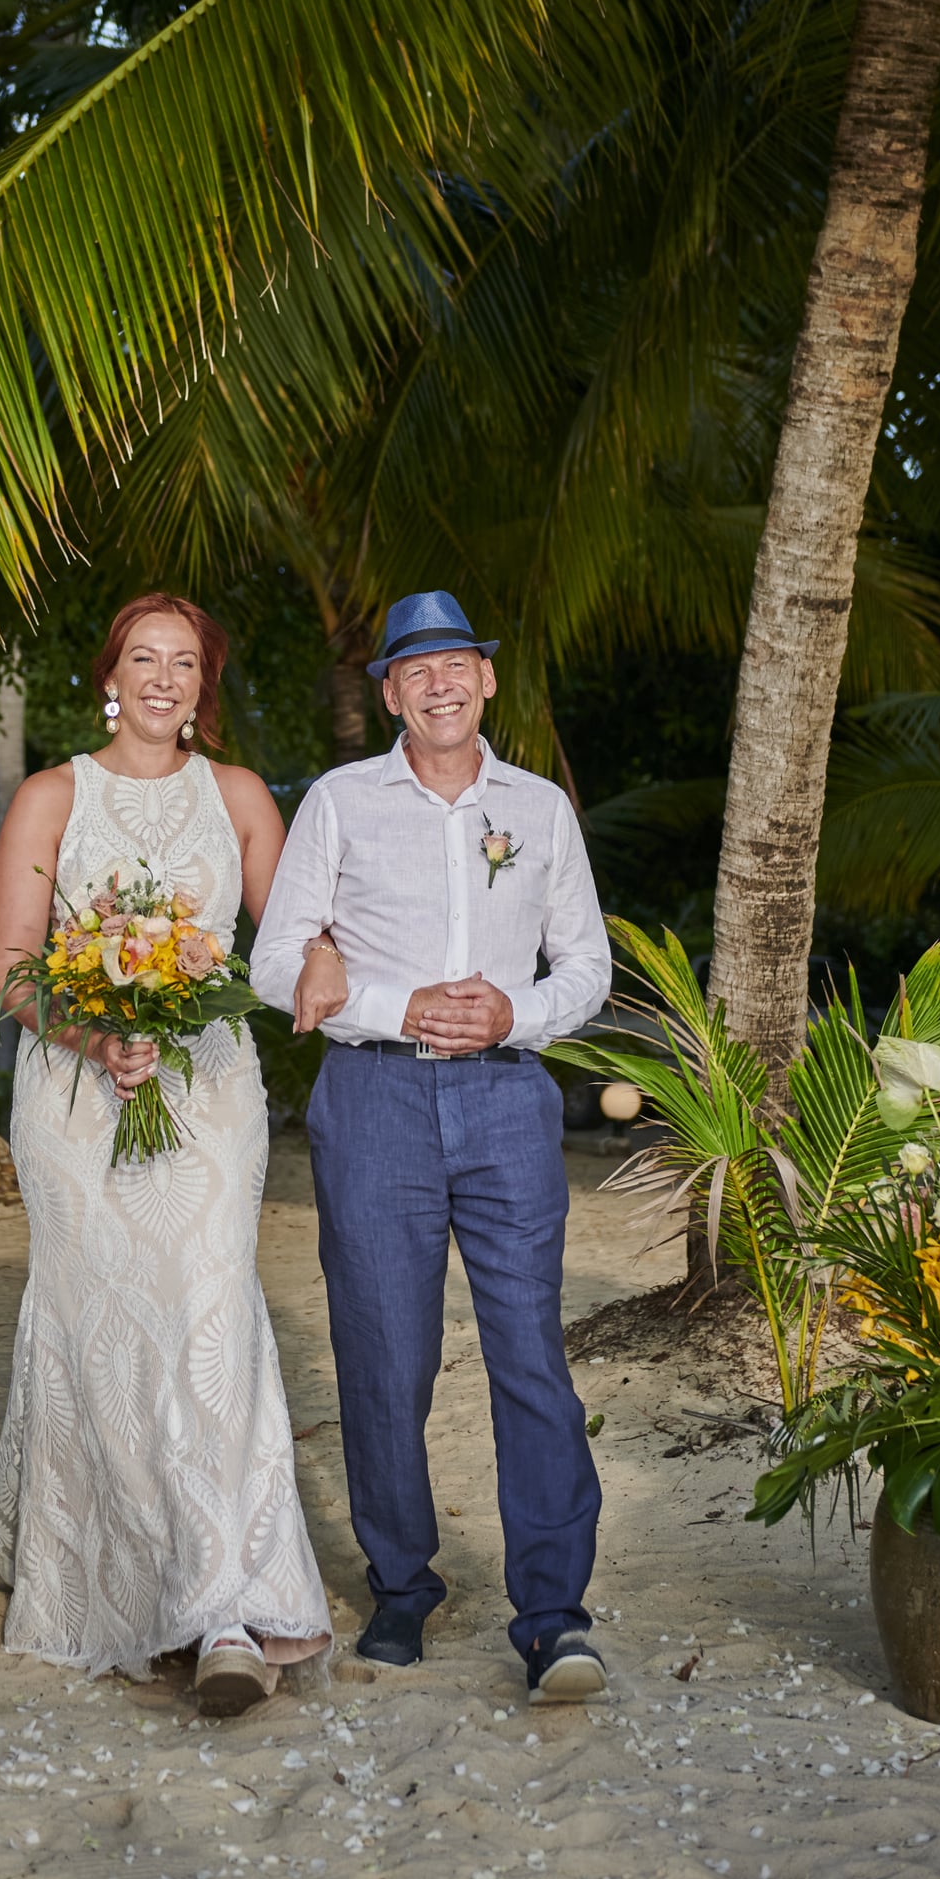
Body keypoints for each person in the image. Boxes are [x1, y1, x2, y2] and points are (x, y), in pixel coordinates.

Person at [250, 589, 613, 1703]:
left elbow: (587, 970)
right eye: (416, 671)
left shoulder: (541, 809)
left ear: (487, 680)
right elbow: (275, 967)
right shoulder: (339, 801)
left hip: (509, 1100)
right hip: (374, 1101)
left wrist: (517, 1016)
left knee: (530, 1357)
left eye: (457, 663)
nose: (440, 683)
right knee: (384, 1355)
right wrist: (401, 1004)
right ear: (392, 693)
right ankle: (402, 1583)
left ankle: (552, 1615)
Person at [0, 593, 331, 1714]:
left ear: (205, 684)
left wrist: (339, 966)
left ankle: (223, 1606)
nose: (164, 678)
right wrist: (95, 1033)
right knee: (101, 1320)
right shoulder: (50, 796)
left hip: (211, 1092)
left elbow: (286, 948)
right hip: (76, 1099)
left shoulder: (237, 798)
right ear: (110, 672)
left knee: (206, 1314)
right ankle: (130, 1575)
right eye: (145, 656)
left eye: (187, 662)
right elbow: (13, 966)